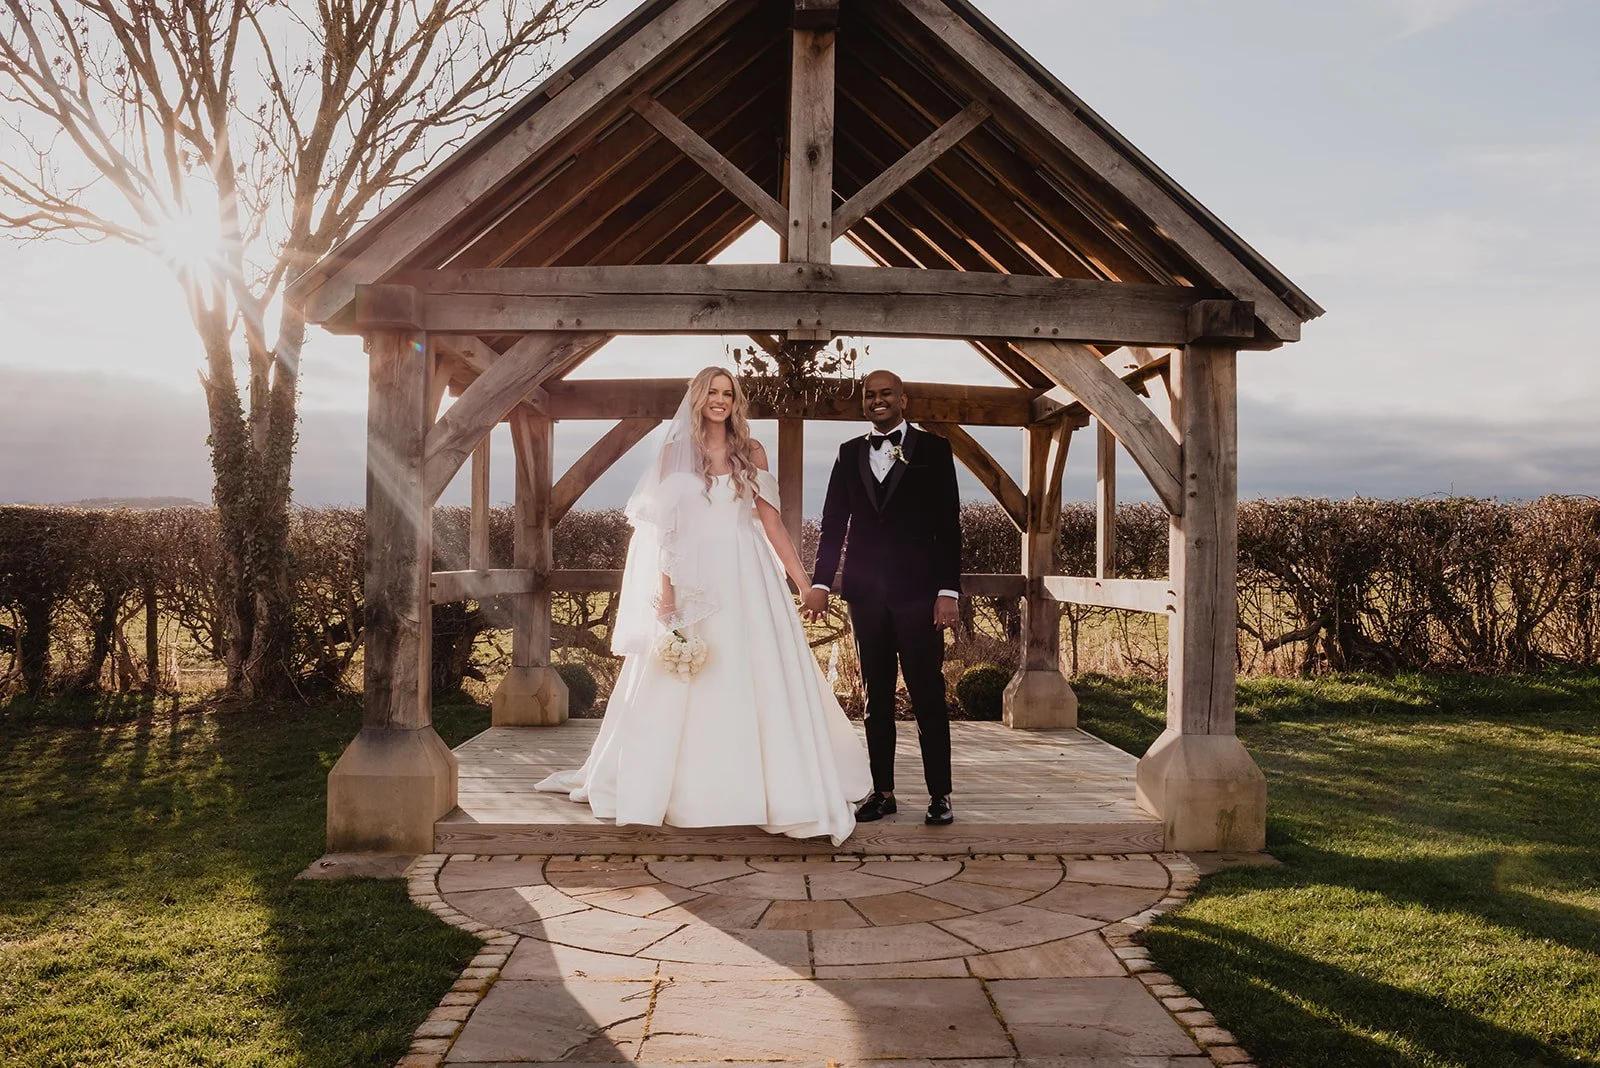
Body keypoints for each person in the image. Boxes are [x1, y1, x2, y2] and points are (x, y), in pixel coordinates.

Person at [536, 367, 872, 846]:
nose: (720, 400)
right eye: (712, 392)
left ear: (736, 402)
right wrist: (668, 595)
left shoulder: (752, 452)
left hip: (747, 571)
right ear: (697, 399)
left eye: (727, 394)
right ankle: (675, 788)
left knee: (754, 672)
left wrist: (803, 582)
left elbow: (771, 523)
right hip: (694, 578)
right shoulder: (675, 453)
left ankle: (769, 787)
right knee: (681, 678)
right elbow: (665, 530)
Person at [802, 370, 962, 826]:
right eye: (870, 396)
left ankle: (939, 795)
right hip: (865, 595)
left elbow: (948, 524)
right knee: (875, 697)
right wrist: (820, 581)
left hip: (919, 594)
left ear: (903, 400)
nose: (877, 401)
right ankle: (884, 792)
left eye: (885, 393)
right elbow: (833, 523)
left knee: (928, 693)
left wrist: (947, 590)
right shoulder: (848, 453)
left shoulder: (934, 450)